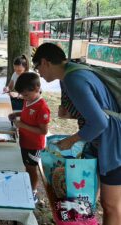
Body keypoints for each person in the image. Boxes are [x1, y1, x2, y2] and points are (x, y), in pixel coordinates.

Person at [32, 42, 121, 225]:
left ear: (45, 62)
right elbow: (97, 110)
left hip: (113, 143)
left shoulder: (74, 79)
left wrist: (71, 141)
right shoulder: (71, 73)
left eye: (37, 67)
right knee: (96, 198)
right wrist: (72, 114)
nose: (39, 73)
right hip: (102, 140)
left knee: (110, 205)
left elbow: (99, 122)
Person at [8, 72, 50, 203]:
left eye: (26, 95)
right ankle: (27, 185)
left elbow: (43, 131)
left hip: (34, 145)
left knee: (32, 169)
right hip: (25, 141)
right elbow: (27, 113)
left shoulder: (42, 108)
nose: (24, 98)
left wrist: (22, 125)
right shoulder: (29, 100)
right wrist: (17, 113)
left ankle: (32, 193)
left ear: (37, 88)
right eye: (22, 95)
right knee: (26, 166)